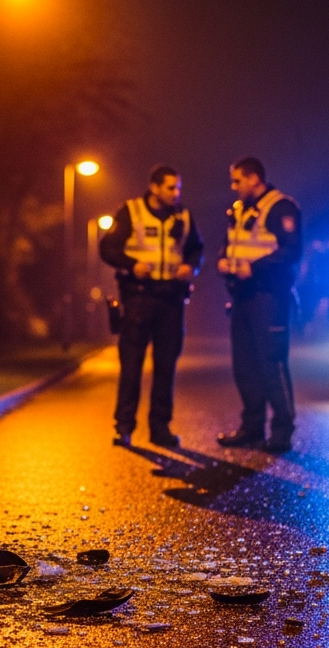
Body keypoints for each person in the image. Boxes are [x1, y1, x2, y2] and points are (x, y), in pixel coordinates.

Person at [99, 165, 203, 448]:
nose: (176, 193)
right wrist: (132, 265)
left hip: (171, 299)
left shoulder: (183, 215)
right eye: (171, 187)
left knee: (166, 367)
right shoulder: (131, 212)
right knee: (131, 366)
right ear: (154, 187)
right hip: (138, 299)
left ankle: (161, 428)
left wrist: (191, 266)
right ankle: (124, 427)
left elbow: (196, 248)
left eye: (178, 187)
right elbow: (107, 248)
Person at [215, 157, 301, 452]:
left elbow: (291, 251)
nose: (233, 186)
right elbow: (232, 244)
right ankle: (251, 428)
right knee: (245, 366)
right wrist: (224, 260)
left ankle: (282, 431)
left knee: (271, 363)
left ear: (254, 179)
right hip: (243, 296)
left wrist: (255, 268)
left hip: (270, 296)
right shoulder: (239, 211)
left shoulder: (281, 207)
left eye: (238, 180)